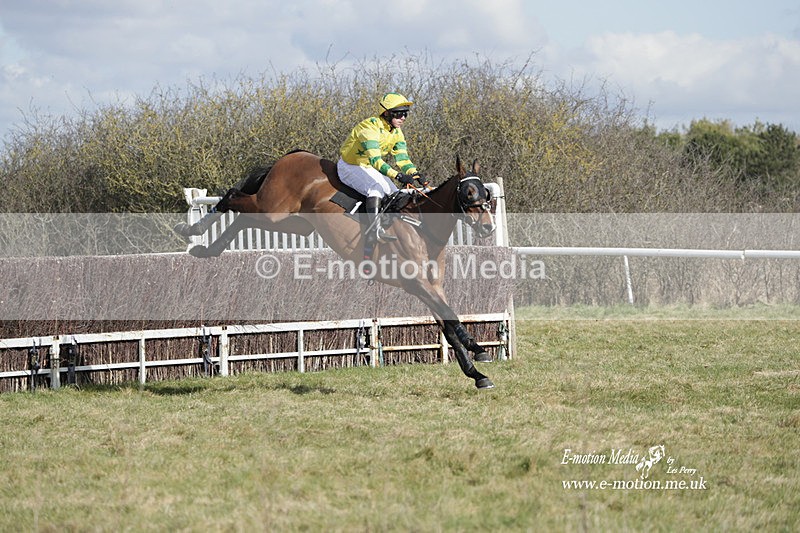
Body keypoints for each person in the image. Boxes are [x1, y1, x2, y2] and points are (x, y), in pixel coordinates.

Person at [338, 93, 428, 264]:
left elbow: (402, 158)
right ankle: (374, 230)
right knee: (376, 189)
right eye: (399, 113)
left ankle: (391, 229)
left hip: (367, 166)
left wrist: (414, 173)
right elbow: (376, 161)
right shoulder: (369, 128)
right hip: (350, 166)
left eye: (405, 114)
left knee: (394, 194)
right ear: (386, 113)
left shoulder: (397, 132)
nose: (403, 117)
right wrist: (398, 175)